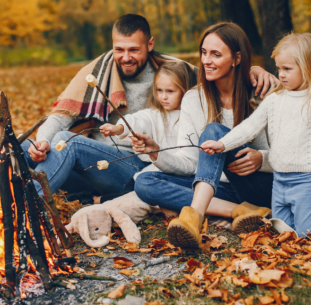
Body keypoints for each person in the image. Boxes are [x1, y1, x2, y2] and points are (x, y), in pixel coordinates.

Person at [23, 15, 278, 202]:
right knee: (25, 147)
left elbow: (216, 74)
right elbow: (59, 118)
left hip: (136, 163)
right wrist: (41, 143)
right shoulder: (96, 72)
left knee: (69, 142)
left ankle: (28, 211)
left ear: (150, 44)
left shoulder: (172, 71)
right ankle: (12, 210)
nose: (126, 57)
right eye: (119, 49)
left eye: (134, 49)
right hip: (96, 166)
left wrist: (252, 72)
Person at [201, 33, 311, 238]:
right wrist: (222, 144)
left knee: (307, 233)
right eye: (278, 68)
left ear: (308, 68)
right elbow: (249, 127)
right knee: (281, 230)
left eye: (287, 69)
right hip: (280, 181)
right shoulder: (275, 99)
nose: (281, 75)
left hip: (307, 181)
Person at [133, 22, 275, 251]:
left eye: (216, 54)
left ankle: (195, 217)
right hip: (217, 189)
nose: (206, 61)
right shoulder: (193, 99)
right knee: (145, 182)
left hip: (257, 184)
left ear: (237, 59)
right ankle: (239, 211)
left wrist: (262, 158)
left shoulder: (262, 92)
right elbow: (190, 162)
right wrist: (156, 152)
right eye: (204, 52)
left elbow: (291, 153)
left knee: (213, 131)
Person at [99, 61, 196, 186]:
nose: (163, 97)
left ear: (185, 90)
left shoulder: (194, 117)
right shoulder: (155, 115)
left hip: (186, 174)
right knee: (142, 181)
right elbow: (138, 120)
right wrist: (119, 128)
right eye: (159, 90)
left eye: (170, 91)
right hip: (157, 170)